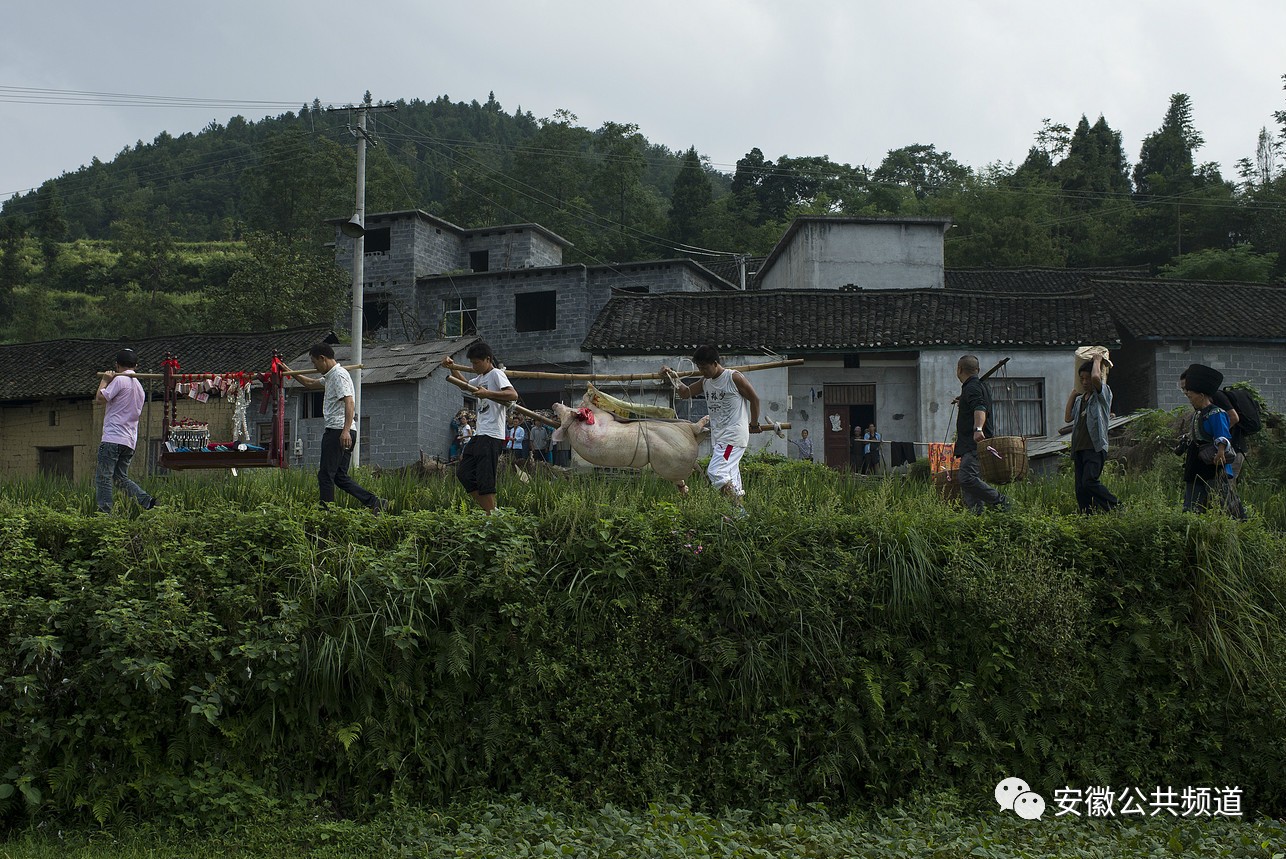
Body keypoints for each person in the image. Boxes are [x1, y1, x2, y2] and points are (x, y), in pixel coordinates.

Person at [286, 344, 386, 513]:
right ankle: (375, 502)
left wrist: (345, 430)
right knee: (340, 477)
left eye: (314, 362)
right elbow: (310, 383)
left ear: (322, 359)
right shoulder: (331, 376)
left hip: (338, 431)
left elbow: (350, 402)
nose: (314, 367)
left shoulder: (339, 375)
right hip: (344, 431)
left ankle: (327, 514)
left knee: (325, 475)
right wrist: (288, 370)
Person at [665, 345, 762, 517]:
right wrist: (673, 377)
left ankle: (740, 512)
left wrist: (754, 424)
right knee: (731, 476)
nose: (702, 371)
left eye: (705, 367)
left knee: (716, 471)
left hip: (732, 437)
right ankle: (737, 518)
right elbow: (686, 393)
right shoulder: (706, 382)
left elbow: (754, 398)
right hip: (720, 438)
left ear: (715, 363)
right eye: (699, 368)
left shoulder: (733, 377)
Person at [442, 342, 517, 514]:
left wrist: (487, 393)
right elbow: (464, 384)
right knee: (464, 474)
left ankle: (492, 516)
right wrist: (452, 367)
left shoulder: (496, 374)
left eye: (477, 363)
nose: (474, 366)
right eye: (472, 363)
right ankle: (492, 511)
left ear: (487, 359)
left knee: (485, 478)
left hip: (492, 435)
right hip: (480, 434)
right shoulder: (481, 378)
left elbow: (513, 394)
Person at [95, 348, 157, 514]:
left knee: (104, 476)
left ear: (117, 365)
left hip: (113, 437)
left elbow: (100, 399)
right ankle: (146, 501)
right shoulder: (139, 387)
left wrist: (104, 380)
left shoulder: (119, 380)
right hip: (129, 440)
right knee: (120, 477)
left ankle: (104, 513)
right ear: (135, 365)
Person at [1179, 363, 1243, 518]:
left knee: (1224, 500)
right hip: (1196, 462)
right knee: (1192, 500)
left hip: (1212, 462)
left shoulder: (1216, 413)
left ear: (1201, 395)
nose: (1189, 399)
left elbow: (1222, 434)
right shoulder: (1198, 414)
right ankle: (1191, 524)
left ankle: (1238, 525)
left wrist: (1220, 452)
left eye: (1191, 395)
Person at [953, 355, 1011, 514]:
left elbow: (980, 407)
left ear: (959, 369)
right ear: (977, 370)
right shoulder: (980, 386)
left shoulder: (972, 388)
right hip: (970, 445)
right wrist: (963, 401)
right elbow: (976, 404)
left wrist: (978, 429)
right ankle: (977, 519)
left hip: (973, 444)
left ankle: (1001, 501)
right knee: (970, 485)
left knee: (967, 478)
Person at [1064, 355, 1119, 514]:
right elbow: (1068, 417)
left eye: (1087, 378)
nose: (1085, 382)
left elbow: (1096, 377)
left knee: (1089, 481)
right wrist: (1074, 392)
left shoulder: (1102, 395)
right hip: (1079, 449)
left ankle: (1115, 506)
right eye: (1082, 379)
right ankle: (1086, 517)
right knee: (1081, 489)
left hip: (1094, 448)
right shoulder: (1081, 400)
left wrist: (1097, 360)